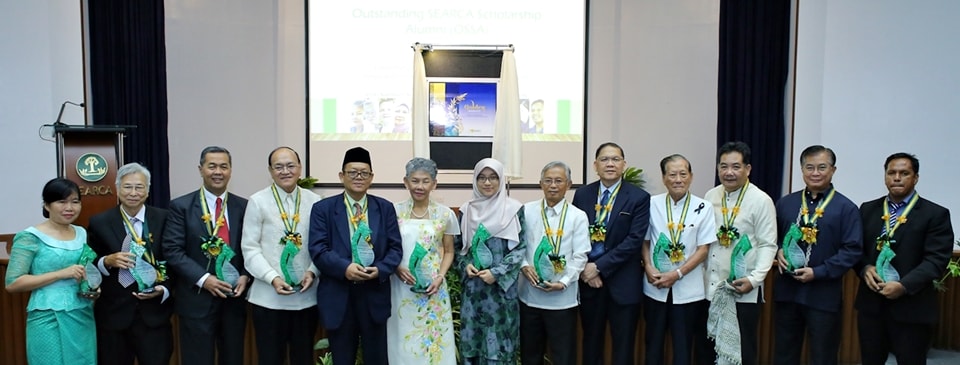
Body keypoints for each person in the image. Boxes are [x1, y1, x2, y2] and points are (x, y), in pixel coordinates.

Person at [855, 153, 954, 364]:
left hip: (912, 307)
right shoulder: (868, 209)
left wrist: (904, 286)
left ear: (916, 178)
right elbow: (855, 250)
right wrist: (864, 268)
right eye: (892, 173)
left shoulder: (935, 214)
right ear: (885, 177)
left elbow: (936, 260)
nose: (897, 178)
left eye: (904, 173)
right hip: (871, 306)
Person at [309, 146, 402, 365]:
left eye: (364, 173)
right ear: (342, 176)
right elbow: (318, 249)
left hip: (374, 296)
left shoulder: (385, 208)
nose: (358, 177)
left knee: (377, 359)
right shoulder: (323, 209)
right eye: (352, 172)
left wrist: (380, 269)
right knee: (342, 359)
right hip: (339, 297)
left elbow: (395, 248)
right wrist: (345, 268)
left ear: (372, 177)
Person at [773, 145, 862, 365]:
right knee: (784, 352)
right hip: (787, 292)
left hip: (823, 295)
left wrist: (818, 272)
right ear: (802, 170)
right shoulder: (786, 203)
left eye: (822, 167)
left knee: (823, 355)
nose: (815, 173)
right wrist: (777, 250)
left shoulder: (846, 208)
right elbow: (770, 239)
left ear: (833, 170)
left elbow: (852, 250)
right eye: (809, 167)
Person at [162, 146, 250, 365]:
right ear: (201, 169)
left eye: (223, 166)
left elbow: (252, 247)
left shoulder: (244, 206)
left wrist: (245, 275)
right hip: (196, 300)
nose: (218, 171)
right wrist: (205, 279)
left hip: (233, 300)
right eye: (212, 166)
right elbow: (173, 250)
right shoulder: (181, 206)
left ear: (230, 170)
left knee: (233, 358)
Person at [241, 147, 322, 365]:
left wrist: (313, 272)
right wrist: (272, 278)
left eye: (290, 165)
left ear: (300, 168)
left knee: (303, 358)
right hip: (268, 300)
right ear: (270, 170)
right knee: (270, 359)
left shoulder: (314, 201)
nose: (285, 171)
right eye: (278, 167)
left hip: (306, 299)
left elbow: (321, 245)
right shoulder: (258, 201)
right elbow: (249, 248)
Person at [87, 163, 174, 365]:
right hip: (114, 316)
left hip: (154, 317)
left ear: (148, 190)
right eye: (127, 187)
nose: (133, 193)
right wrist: (106, 261)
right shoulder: (100, 221)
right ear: (118, 189)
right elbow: (90, 262)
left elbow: (174, 260)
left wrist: (163, 288)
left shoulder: (165, 219)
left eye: (139, 187)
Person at [572, 142, 649, 365]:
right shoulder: (583, 195)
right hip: (589, 283)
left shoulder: (639, 198)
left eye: (615, 159)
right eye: (604, 159)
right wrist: (588, 268)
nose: (610, 164)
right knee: (591, 343)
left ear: (624, 165)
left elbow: (634, 241)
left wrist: (598, 267)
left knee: (623, 347)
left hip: (623, 284)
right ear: (595, 165)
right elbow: (575, 235)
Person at [4, 178, 96, 364]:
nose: (69, 207)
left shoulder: (82, 233)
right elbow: (13, 283)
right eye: (61, 202)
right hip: (47, 315)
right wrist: (60, 274)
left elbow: (85, 270)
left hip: (82, 314)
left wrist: (93, 287)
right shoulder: (30, 237)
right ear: (46, 205)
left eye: (75, 202)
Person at [701, 142, 777, 365]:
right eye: (723, 166)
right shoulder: (711, 195)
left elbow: (768, 245)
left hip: (742, 289)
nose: (729, 172)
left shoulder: (761, 200)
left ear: (748, 169)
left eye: (736, 166)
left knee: (742, 351)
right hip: (711, 288)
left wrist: (754, 280)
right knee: (709, 347)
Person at [641, 154, 716, 365]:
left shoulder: (703, 207)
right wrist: (647, 265)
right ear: (664, 178)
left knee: (683, 347)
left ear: (691, 177)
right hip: (654, 287)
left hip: (689, 290)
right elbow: (645, 241)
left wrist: (677, 273)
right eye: (672, 174)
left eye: (683, 174)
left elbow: (704, 249)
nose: (678, 179)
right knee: (653, 344)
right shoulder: (651, 204)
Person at [386, 157, 459, 364]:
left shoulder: (445, 214)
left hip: (433, 288)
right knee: (402, 339)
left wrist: (440, 277)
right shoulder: (393, 211)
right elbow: (386, 248)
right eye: (415, 180)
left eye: (425, 181)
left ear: (434, 184)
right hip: (401, 286)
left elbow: (449, 251)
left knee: (433, 342)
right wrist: (397, 268)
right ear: (406, 182)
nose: (420, 186)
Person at [518, 161, 591, 365]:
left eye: (558, 181)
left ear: (569, 184)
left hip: (562, 299)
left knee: (563, 355)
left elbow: (580, 256)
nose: (553, 185)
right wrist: (524, 265)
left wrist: (565, 281)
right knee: (530, 355)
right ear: (540, 183)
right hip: (529, 296)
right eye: (548, 180)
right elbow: (518, 247)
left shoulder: (578, 216)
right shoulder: (526, 210)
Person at [457, 158, 526, 364]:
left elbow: (521, 248)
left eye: (493, 177)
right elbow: (459, 249)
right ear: (475, 180)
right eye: (482, 178)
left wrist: (496, 273)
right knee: (474, 344)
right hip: (474, 291)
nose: (488, 183)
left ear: (501, 179)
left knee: (501, 347)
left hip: (501, 292)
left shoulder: (514, 209)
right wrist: (465, 265)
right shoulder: (466, 210)